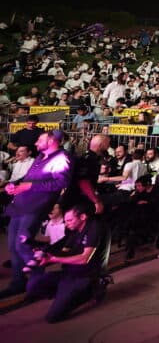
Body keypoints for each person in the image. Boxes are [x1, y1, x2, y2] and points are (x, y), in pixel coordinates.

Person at [2, 129, 73, 298]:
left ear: (51, 141)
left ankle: (40, 283)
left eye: (39, 140)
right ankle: (18, 283)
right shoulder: (42, 157)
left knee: (22, 245)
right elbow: (28, 178)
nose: (35, 143)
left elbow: (61, 182)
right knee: (13, 246)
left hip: (35, 206)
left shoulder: (62, 158)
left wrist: (29, 187)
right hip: (20, 204)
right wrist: (14, 185)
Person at [24, 203, 106, 323]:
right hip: (68, 274)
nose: (66, 224)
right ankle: (65, 295)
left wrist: (55, 259)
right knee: (33, 287)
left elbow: (84, 259)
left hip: (85, 277)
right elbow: (63, 252)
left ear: (82, 217)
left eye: (70, 220)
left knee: (52, 318)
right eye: (66, 221)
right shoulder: (73, 231)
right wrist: (44, 255)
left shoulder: (94, 228)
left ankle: (91, 291)